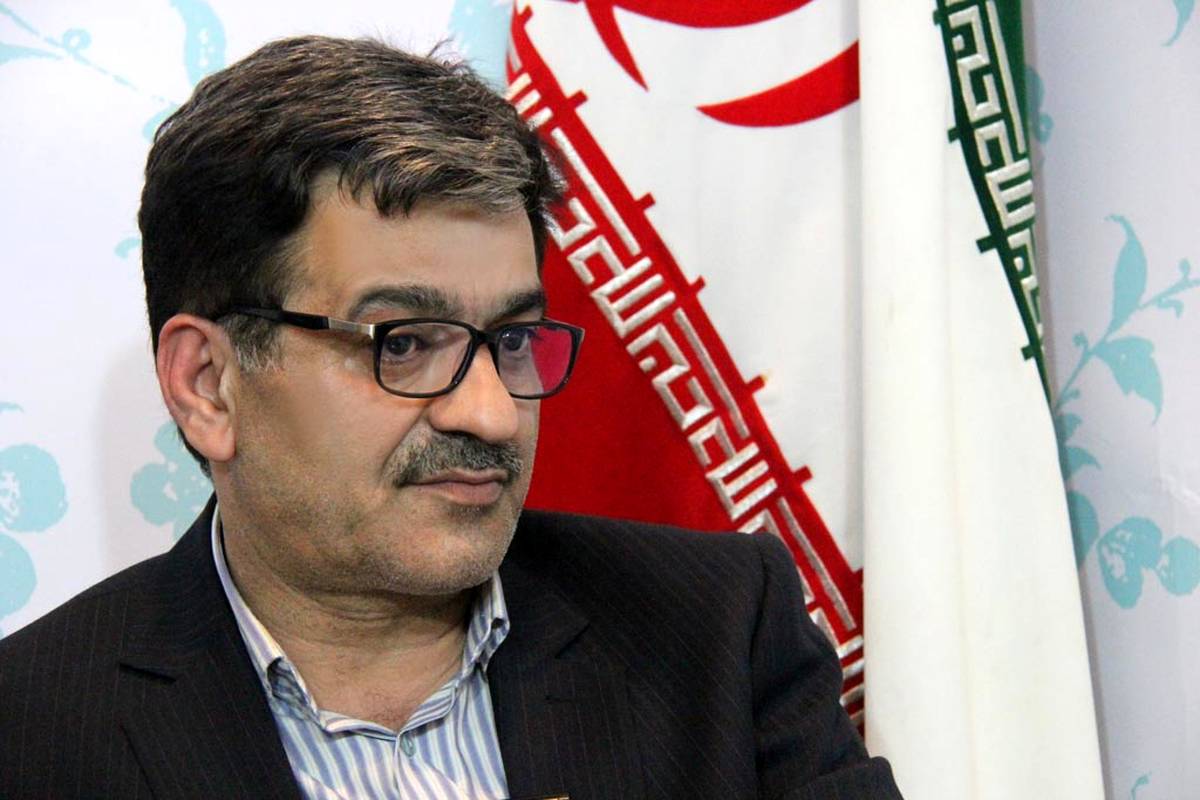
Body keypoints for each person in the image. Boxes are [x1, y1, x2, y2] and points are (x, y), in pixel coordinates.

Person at [0, 36, 901, 799]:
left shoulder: (716, 633)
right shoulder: (33, 732)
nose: (493, 413)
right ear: (208, 385)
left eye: (514, 339)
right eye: (404, 343)